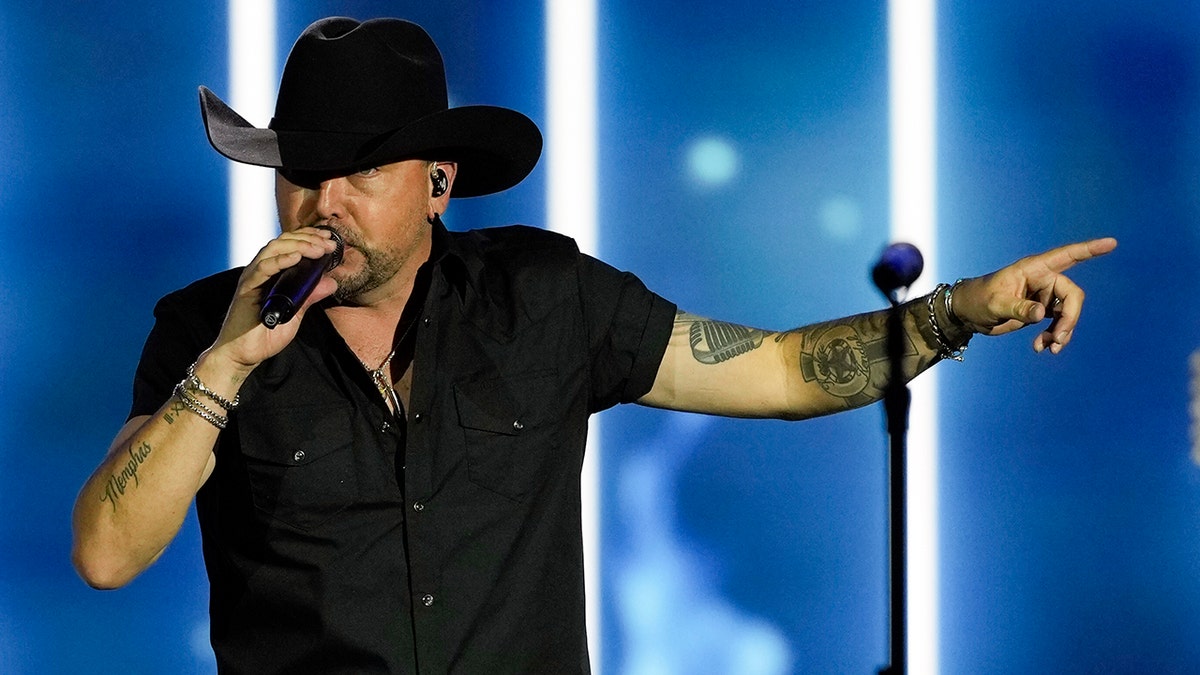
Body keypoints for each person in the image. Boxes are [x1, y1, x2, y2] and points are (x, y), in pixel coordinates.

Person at [70, 16, 1116, 674]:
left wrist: (958, 311)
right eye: (300, 166)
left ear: (439, 183)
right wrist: (229, 362)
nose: (320, 200)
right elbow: (107, 556)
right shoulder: (201, 327)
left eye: (360, 171)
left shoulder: (543, 298)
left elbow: (785, 373)